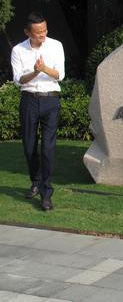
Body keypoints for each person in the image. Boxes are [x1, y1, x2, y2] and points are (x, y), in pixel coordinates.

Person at [10, 12, 65, 211]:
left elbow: (60, 75)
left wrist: (44, 69)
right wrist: (35, 71)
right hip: (29, 101)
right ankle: (36, 180)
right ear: (28, 32)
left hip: (50, 100)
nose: (43, 34)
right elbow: (18, 80)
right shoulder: (18, 50)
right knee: (29, 146)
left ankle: (46, 193)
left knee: (48, 149)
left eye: (45, 30)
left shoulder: (56, 45)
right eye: (38, 32)